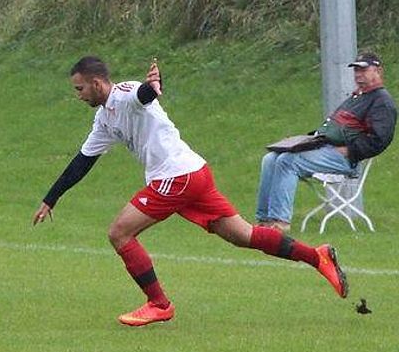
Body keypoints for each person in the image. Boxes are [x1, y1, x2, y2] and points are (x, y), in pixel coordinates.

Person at [32, 56, 349, 327]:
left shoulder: (125, 93)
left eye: (80, 88)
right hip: (193, 173)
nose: (78, 95)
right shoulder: (104, 119)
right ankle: (317, 257)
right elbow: (83, 161)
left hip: (176, 175)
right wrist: (51, 198)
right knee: (245, 236)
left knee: (119, 233)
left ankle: (159, 304)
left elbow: (143, 95)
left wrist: (153, 86)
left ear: (97, 84)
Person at [256, 53, 397, 231]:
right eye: (356, 70)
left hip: (346, 158)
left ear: (378, 71)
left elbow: (380, 141)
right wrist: (307, 140)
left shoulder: (381, 101)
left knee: (287, 161)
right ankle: (264, 221)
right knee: (270, 158)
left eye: (363, 70)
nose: (358, 74)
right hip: (324, 146)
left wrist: (349, 151)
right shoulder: (357, 97)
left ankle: (280, 222)